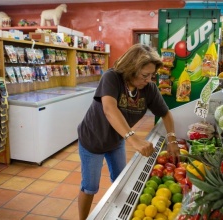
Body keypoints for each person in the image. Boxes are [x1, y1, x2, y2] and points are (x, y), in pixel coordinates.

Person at [77, 43, 180, 220]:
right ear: (132, 68)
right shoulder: (112, 77)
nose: (148, 80)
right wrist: (133, 139)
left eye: (152, 75)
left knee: (121, 180)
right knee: (90, 186)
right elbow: (109, 109)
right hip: (93, 139)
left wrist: (172, 139)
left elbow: (166, 114)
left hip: (116, 140)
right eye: (145, 75)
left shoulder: (149, 89)